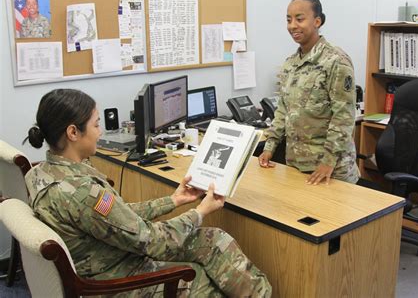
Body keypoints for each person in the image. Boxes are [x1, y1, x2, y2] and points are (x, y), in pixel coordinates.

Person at [24, 89, 271, 297]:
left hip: (109, 257)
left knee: (214, 240)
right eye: (96, 124)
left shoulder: (41, 173)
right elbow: (150, 240)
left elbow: (118, 219)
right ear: (73, 133)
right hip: (117, 280)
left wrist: (173, 200)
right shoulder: (81, 192)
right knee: (209, 284)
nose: (100, 131)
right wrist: (200, 211)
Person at [259, 0, 359, 185]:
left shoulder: (336, 61)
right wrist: (270, 147)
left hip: (331, 171)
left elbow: (343, 117)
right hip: (296, 165)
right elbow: (283, 109)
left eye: (299, 18)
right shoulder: (290, 64)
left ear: (317, 21)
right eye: (288, 20)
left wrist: (328, 162)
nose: (292, 26)